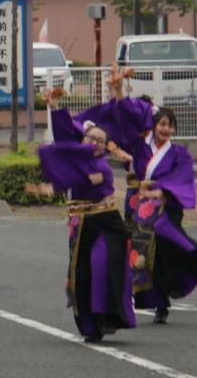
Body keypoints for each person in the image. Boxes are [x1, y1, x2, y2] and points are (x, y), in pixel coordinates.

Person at [34, 87, 136, 343]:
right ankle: (89, 324)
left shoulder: (102, 168)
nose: (96, 143)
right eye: (91, 138)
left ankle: (104, 319)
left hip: (105, 223)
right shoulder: (78, 160)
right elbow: (64, 139)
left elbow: (87, 179)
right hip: (80, 224)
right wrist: (55, 108)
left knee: (100, 268)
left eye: (101, 141)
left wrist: (54, 185)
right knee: (80, 273)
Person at [123, 97, 197, 324]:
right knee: (140, 254)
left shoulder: (179, 153)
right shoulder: (140, 146)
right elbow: (124, 128)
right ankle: (148, 299)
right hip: (139, 204)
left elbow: (183, 178)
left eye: (170, 126)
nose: (166, 129)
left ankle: (162, 300)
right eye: (162, 124)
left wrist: (163, 191)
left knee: (161, 254)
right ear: (153, 125)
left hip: (166, 208)